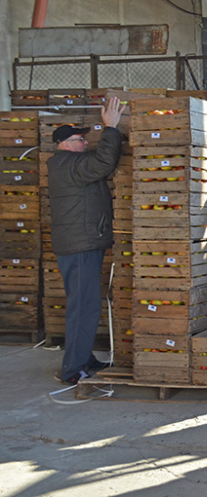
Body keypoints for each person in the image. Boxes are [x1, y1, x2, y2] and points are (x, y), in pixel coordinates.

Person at [49, 97, 125, 385]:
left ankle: (84, 358)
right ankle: (72, 369)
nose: (84, 143)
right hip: (79, 246)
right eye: (80, 140)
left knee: (87, 304)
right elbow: (103, 162)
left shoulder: (68, 162)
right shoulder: (68, 165)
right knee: (83, 306)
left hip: (84, 243)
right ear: (66, 143)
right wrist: (111, 128)